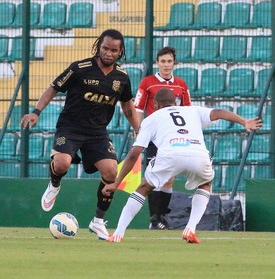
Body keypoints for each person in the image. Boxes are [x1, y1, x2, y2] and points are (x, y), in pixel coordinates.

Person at [20, 29, 140, 241]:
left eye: (114, 50)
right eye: (105, 48)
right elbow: (53, 88)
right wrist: (36, 112)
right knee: (62, 164)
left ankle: (98, 221)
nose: (108, 53)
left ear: (121, 51)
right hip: (70, 127)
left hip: (97, 133)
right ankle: (54, 184)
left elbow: (127, 105)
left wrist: (139, 129)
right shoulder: (80, 68)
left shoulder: (121, 77)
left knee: (112, 172)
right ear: (98, 46)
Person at [103, 88, 262, 243]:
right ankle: (190, 229)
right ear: (176, 102)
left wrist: (117, 182)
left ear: (156, 104)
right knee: (205, 183)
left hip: (170, 155)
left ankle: (118, 233)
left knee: (144, 188)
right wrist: (244, 121)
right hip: (197, 154)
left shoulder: (151, 118)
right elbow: (220, 112)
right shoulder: (192, 110)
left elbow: (134, 153)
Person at [134, 46, 191, 230]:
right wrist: (139, 130)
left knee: (169, 179)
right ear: (157, 63)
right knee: (153, 176)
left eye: (169, 61)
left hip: (173, 138)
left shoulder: (181, 85)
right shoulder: (148, 83)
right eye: (163, 61)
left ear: (174, 63)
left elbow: (188, 110)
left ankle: (160, 217)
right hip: (154, 137)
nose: (166, 65)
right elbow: (138, 108)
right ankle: (154, 219)